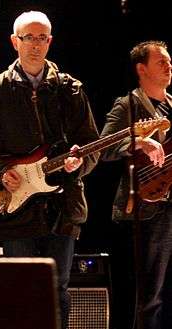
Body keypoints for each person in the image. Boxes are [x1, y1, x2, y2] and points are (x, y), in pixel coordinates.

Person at [0, 10, 100, 329]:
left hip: (63, 206)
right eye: (28, 38)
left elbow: (91, 143)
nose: (35, 45)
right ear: (14, 42)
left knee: (59, 286)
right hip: (15, 207)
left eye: (41, 38)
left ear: (49, 42)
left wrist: (80, 164)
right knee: (18, 287)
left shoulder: (70, 89)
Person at [100, 40, 172, 329]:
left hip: (168, 207)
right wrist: (139, 142)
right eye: (161, 62)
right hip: (145, 209)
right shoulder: (128, 105)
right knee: (146, 295)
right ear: (141, 69)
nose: (169, 66)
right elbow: (103, 148)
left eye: (169, 62)